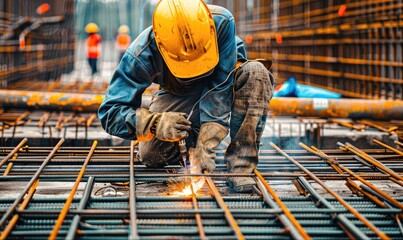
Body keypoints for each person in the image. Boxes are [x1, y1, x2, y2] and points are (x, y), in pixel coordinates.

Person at [98, 0, 275, 193]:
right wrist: (153, 123)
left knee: (256, 73)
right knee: (152, 154)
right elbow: (110, 112)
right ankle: (190, 146)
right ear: (162, 46)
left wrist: (207, 144)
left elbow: (219, 90)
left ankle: (241, 167)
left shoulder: (222, 24)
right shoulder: (142, 54)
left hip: (224, 82)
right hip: (178, 93)